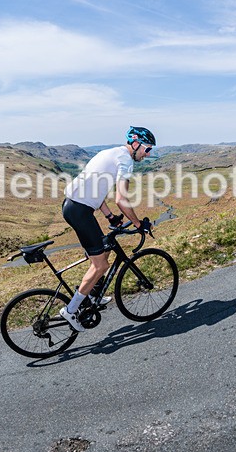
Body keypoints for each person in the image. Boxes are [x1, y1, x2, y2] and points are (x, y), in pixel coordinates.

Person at [59, 126, 155, 331]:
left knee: (106, 247)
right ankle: (71, 310)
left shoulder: (110, 153)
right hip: (80, 211)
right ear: (136, 144)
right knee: (100, 265)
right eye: (147, 149)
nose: (148, 155)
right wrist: (139, 224)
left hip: (74, 206)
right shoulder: (126, 160)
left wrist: (110, 216)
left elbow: (96, 189)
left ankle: (92, 294)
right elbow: (121, 198)